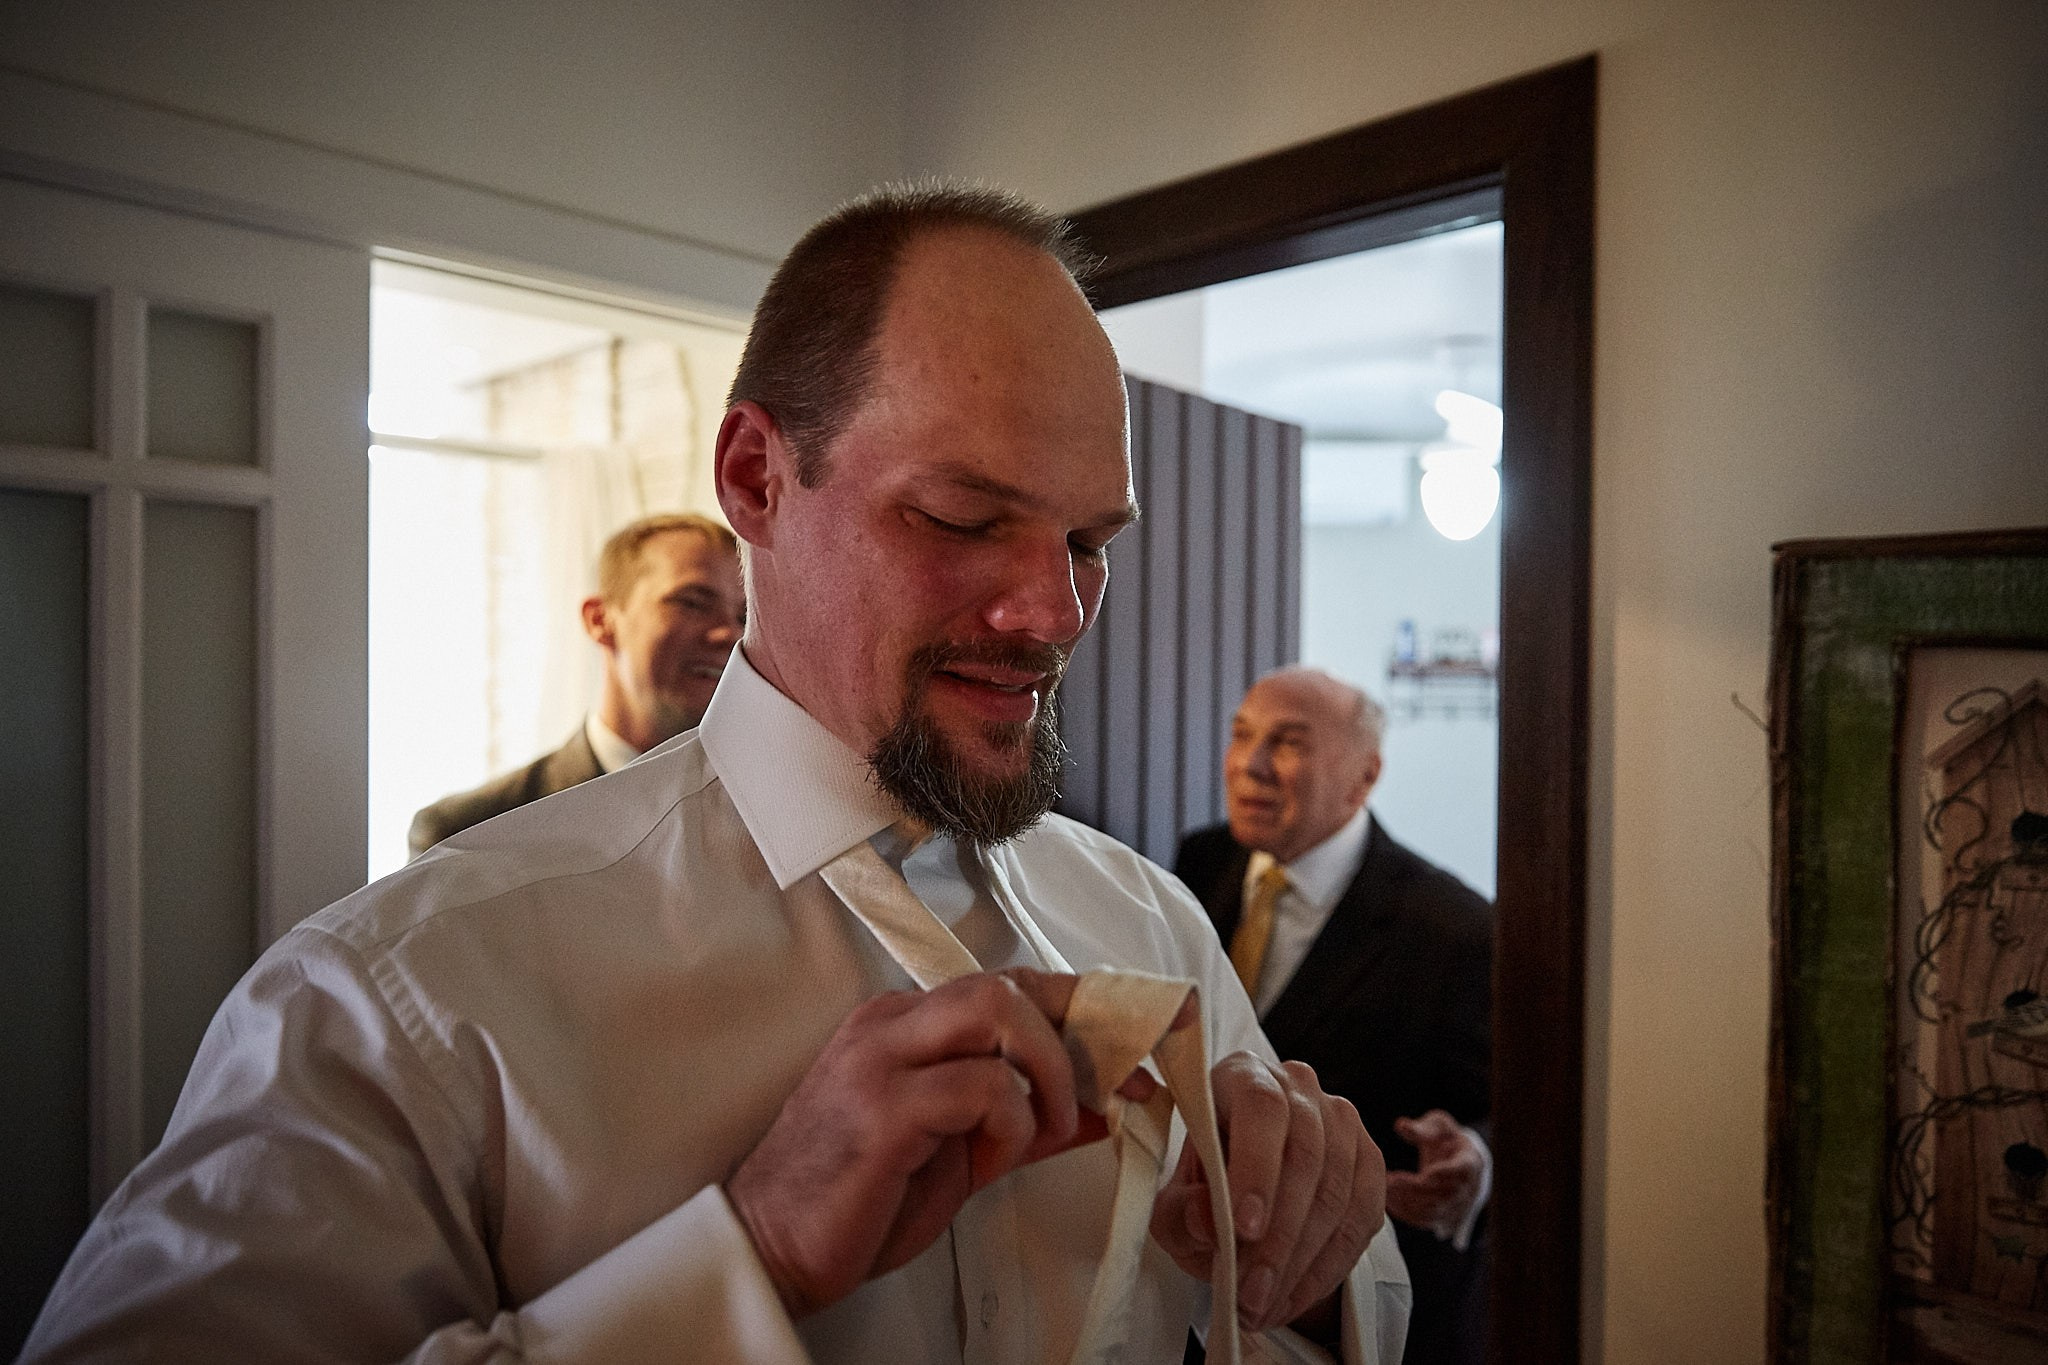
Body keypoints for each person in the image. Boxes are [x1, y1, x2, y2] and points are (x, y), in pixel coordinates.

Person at [26, 185, 1409, 1364]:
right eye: (964, 517)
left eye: (1089, 542)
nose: (1053, 614)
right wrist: (747, 1258)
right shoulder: (406, 999)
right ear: (755, 478)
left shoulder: (1156, 926)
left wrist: (1320, 1262)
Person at [1174, 668, 1492, 1365]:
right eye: (1242, 734)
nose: (1249, 764)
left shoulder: (1454, 930)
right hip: (1201, 1303)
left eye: (1287, 742)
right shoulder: (1198, 863)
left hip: (1359, 1316)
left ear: (1365, 774)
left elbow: (1511, 1111)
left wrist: (1476, 1157)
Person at [407, 512, 743, 857]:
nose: (729, 634)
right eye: (691, 603)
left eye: (744, 617)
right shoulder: (468, 835)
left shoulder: (765, 809)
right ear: (600, 620)